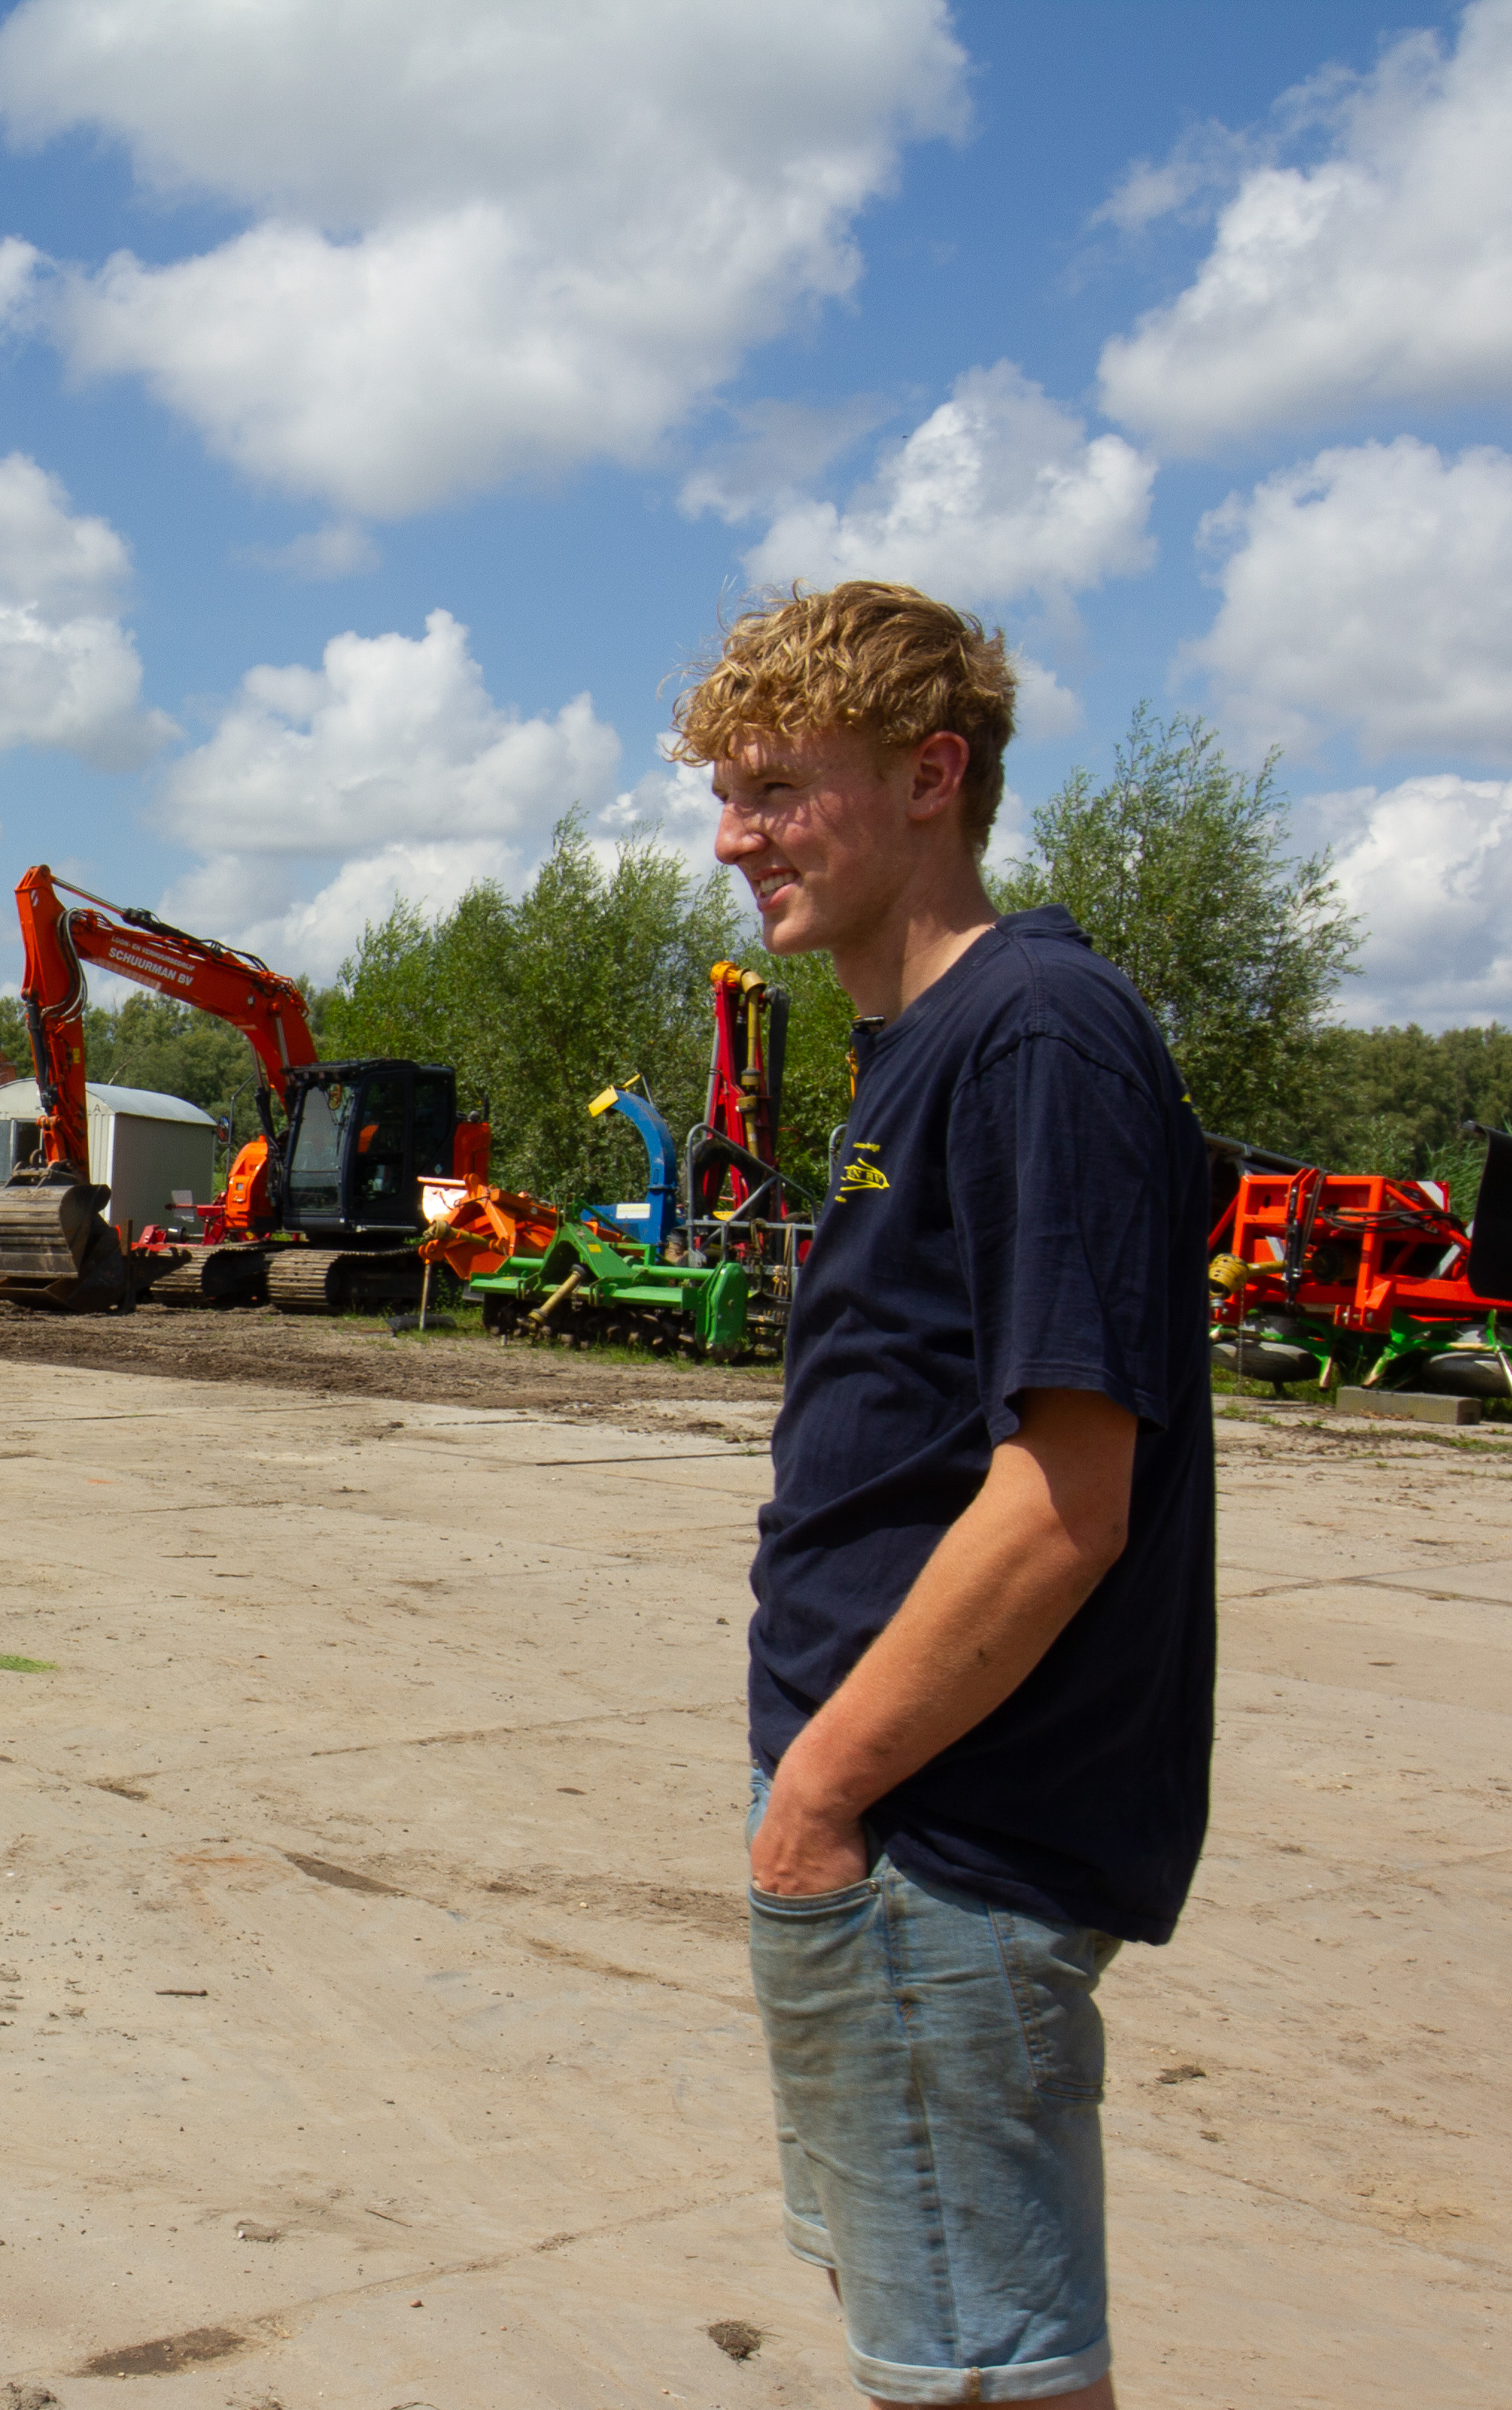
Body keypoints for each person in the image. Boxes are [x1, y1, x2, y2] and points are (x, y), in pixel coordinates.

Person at [677, 581, 1215, 2409]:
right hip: (882, 1833)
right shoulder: (916, 1047)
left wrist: (822, 1798)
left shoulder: (1036, 1034)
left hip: (941, 1841)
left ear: (930, 776)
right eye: (727, 795)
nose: (736, 836)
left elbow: (1066, 1496)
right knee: (932, 2345)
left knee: (987, 2381)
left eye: (777, 789)